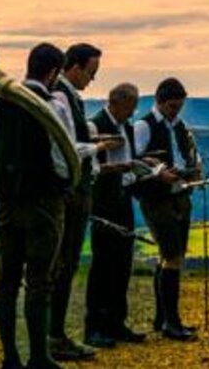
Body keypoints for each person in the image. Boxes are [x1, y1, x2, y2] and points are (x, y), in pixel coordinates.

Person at [0, 43, 99, 369]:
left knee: (6, 279)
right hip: (45, 203)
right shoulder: (54, 105)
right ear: (54, 72)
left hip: (7, 200)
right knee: (40, 280)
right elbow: (63, 160)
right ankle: (39, 357)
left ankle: (10, 358)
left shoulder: (0, 103)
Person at [48, 43, 108, 361]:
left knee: (64, 264)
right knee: (65, 263)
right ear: (75, 67)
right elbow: (67, 146)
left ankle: (52, 333)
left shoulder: (64, 94)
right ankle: (54, 335)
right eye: (91, 73)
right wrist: (96, 148)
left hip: (74, 189)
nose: (91, 80)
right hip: (73, 191)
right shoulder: (61, 95)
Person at [133, 77, 200, 341]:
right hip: (157, 197)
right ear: (159, 102)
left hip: (180, 194)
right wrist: (159, 173)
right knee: (171, 256)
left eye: (179, 107)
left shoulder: (180, 126)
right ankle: (172, 322)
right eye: (172, 106)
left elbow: (186, 154)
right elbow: (134, 159)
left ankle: (163, 318)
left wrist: (192, 172)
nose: (176, 111)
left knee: (173, 256)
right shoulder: (143, 126)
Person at [84, 82, 147, 348]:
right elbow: (92, 167)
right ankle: (94, 326)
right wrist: (123, 167)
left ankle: (116, 322)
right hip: (103, 203)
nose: (133, 113)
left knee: (122, 264)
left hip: (123, 199)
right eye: (131, 107)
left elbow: (129, 159)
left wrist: (141, 168)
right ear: (117, 102)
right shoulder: (94, 125)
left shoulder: (127, 127)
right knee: (103, 265)